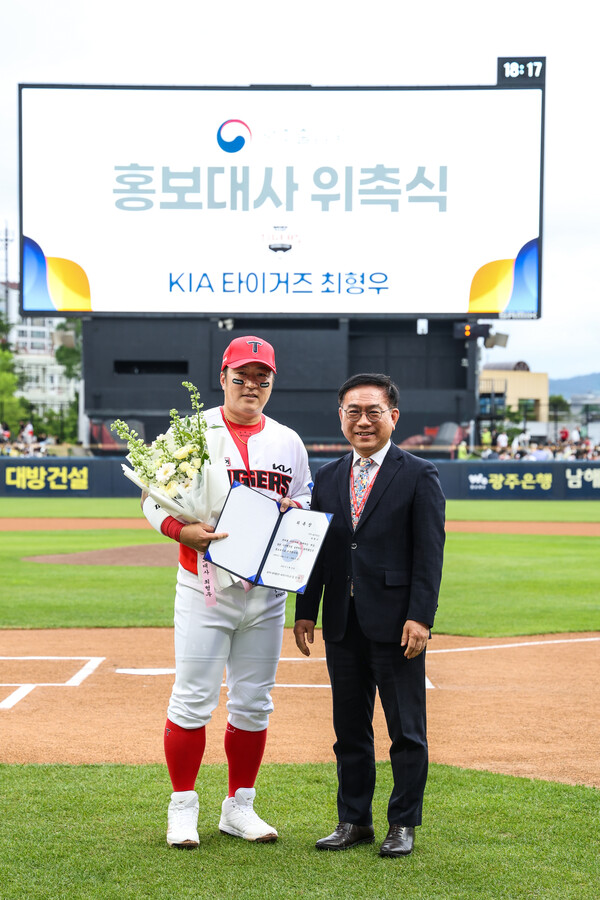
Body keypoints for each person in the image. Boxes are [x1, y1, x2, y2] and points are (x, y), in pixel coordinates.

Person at [142, 335, 312, 849]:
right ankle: (182, 808)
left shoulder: (287, 440)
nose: (251, 386)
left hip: (266, 592)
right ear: (223, 377)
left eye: (262, 378)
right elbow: (153, 499)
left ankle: (239, 807)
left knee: (254, 705)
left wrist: (296, 512)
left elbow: (302, 494)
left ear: (271, 382)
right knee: (192, 699)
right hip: (205, 582)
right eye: (242, 376)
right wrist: (179, 531)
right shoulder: (191, 431)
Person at [294, 373, 445, 858]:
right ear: (340, 417)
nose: (362, 421)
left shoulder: (419, 474)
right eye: (352, 412)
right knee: (349, 732)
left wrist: (420, 616)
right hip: (342, 623)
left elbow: (429, 554)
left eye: (373, 411)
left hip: (397, 624)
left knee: (406, 731)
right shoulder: (330, 476)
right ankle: (353, 820)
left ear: (393, 417)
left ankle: (402, 823)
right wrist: (305, 612)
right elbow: (318, 551)